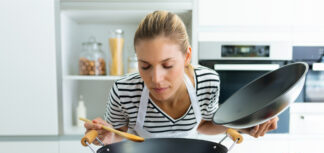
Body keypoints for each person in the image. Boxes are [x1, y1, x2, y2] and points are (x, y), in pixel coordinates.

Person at [84, 10, 279, 145]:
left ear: (186, 56)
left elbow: (205, 124)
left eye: (167, 65)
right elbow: (118, 135)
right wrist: (107, 136)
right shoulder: (124, 90)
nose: (156, 78)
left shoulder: (207, 82)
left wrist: (246, 126)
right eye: (145, 66)